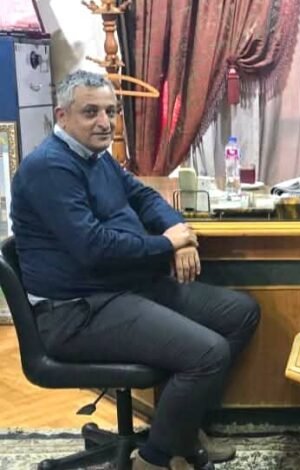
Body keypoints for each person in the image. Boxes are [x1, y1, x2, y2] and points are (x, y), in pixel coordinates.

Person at [10, 70, 260, 470]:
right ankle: (154, 459)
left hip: (121, 288)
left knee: (239, 313)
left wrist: (178, 233)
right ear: (62, 116)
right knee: (208, 353)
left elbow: (144, 196)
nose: (104, 122)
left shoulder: (96, 157)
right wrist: (167, 245)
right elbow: (94, 249)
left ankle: (178, 429)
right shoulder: (50, 168)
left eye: (110, 111)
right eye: (90, 112)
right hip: (77, 310)